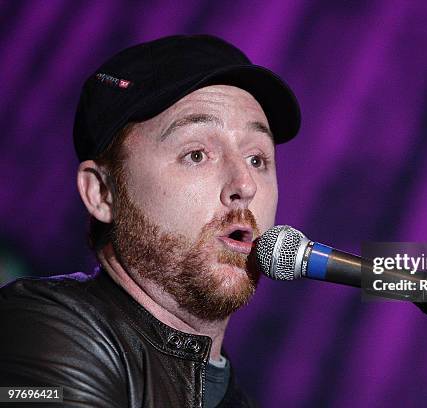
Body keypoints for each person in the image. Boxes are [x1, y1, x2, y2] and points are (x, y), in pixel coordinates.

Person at [0, 34, 300, 407]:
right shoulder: (41, 328)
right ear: (102, 193)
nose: (245, 184)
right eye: (196, 154)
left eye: (257, 159)